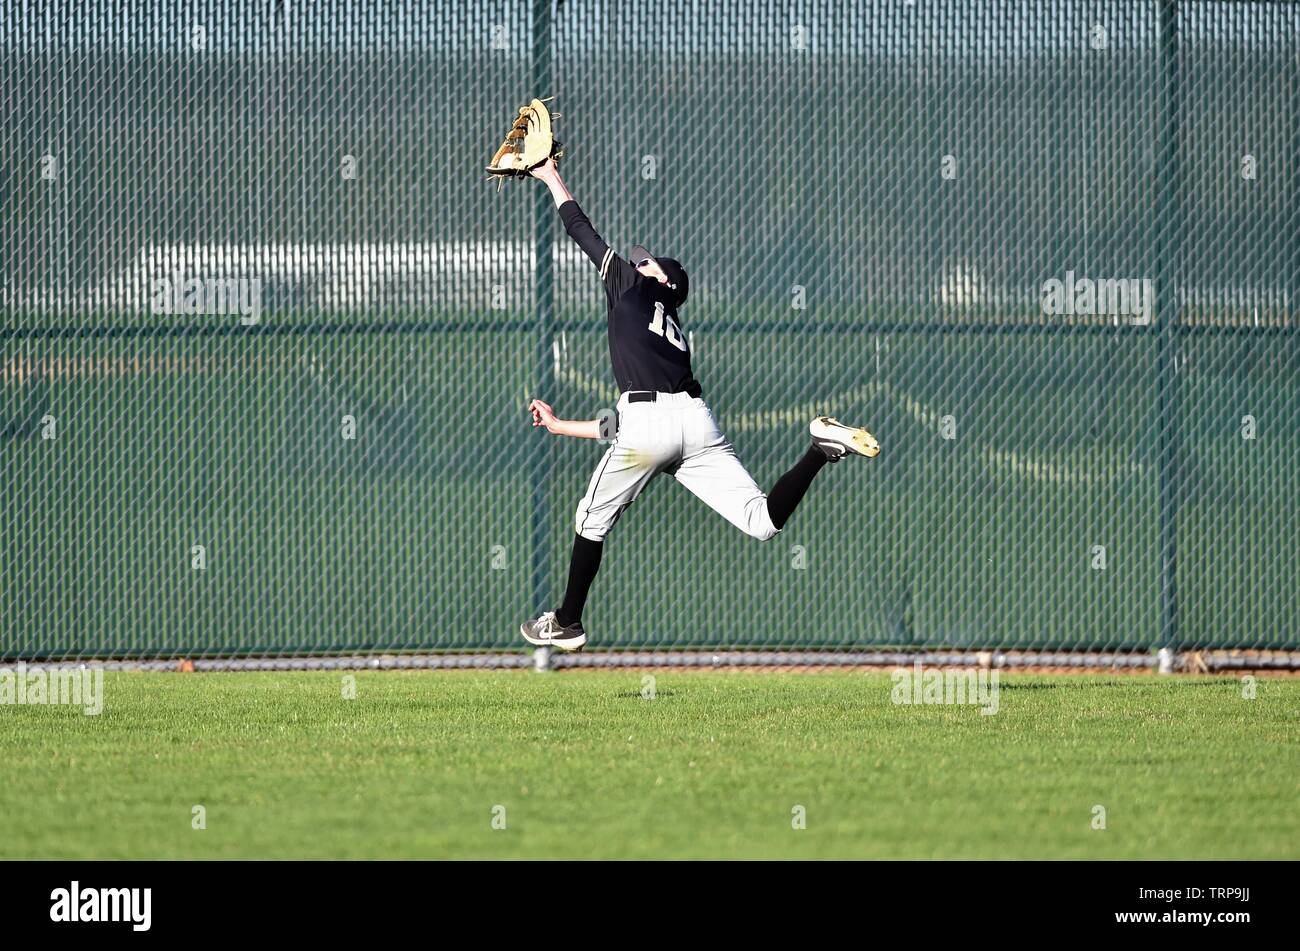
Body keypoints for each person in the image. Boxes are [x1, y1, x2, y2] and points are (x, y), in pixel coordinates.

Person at [520, 158, 878, 651]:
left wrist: (548, 176)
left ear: (664, 282)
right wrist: (562, 426)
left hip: (650, 423)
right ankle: (818, 449)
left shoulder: (633, 285)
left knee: (589, 521)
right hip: (694, 422)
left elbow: (581, 229)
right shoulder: (673, 335)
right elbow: (631, 424)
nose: (636, 262)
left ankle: (566, 621)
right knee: (761, 521)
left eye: (647, 263)